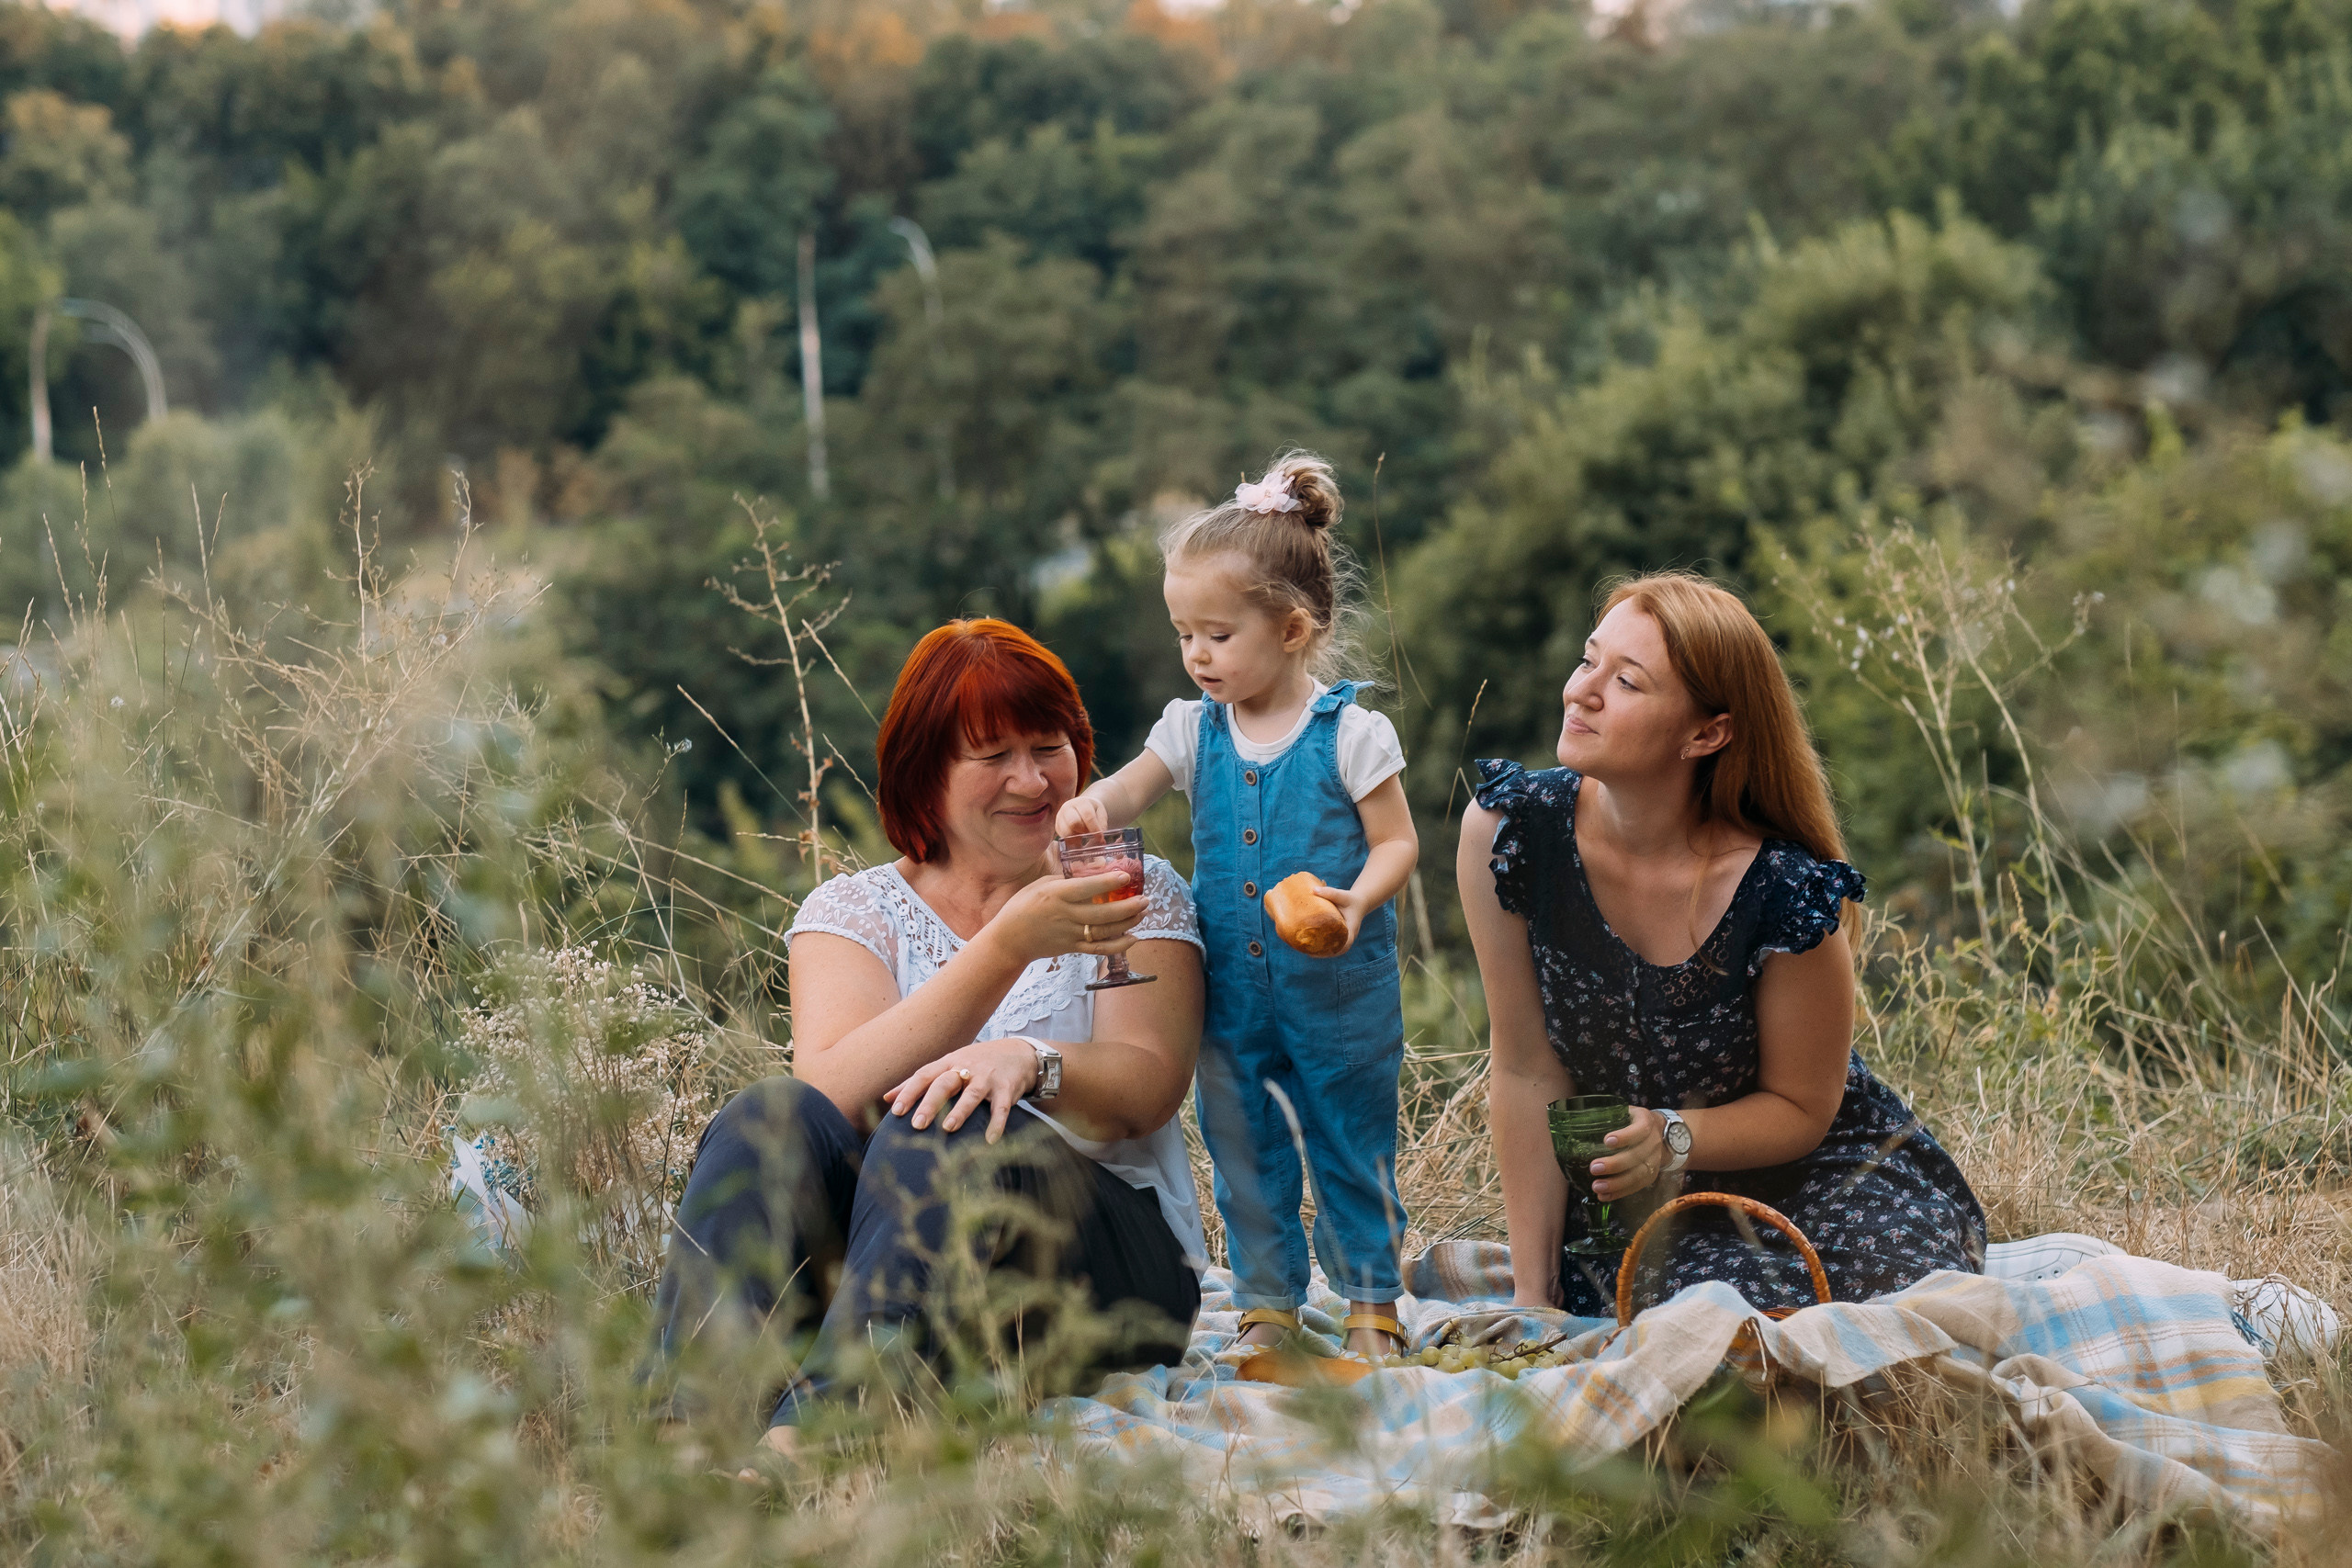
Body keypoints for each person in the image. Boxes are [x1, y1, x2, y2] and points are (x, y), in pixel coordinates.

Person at [650, 618, 1208, 1442]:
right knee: (770, 1114)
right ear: (927, 774)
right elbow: (830, 1092)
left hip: (1108, 1268)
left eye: (1048, 746)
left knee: (952, 1119)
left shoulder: (1128, 884)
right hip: (896, 1261)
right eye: (995, 755)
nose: (1033, 779)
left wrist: (1028, 1059)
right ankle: (685, 1428)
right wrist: (1007, 945)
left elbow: (1148, 1085)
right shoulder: (856, 911)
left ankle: (822, 1439)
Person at [1456, 571, 1985, 1315]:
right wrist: (1530, 1297)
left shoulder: (1782, 892)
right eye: (1588, 660)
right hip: (1641, 1201)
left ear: (1706, 734)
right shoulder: (1510, 834)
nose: (1582, 692)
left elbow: (1802, 1107)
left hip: (1822, 1182)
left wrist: (1671, 1135)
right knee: (1682, 1303)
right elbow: (1524, 1067)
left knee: (1810, 1305)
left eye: (1627, 681)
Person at [1057, 453, 1418, 1359]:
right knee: (1245, 1152)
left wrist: (1355, 900)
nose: (1197, 654)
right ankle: (1267, 1310)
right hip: (1235, 1002)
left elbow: (1397, 844)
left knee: (1349, 1145)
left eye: (1217, 634)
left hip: (1341, 998)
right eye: (1184, 633)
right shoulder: (1192, 729)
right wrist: (1092, 805)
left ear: (1292, 629)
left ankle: (1372, 1307)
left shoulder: (1351, 734)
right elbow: (1131, 787)